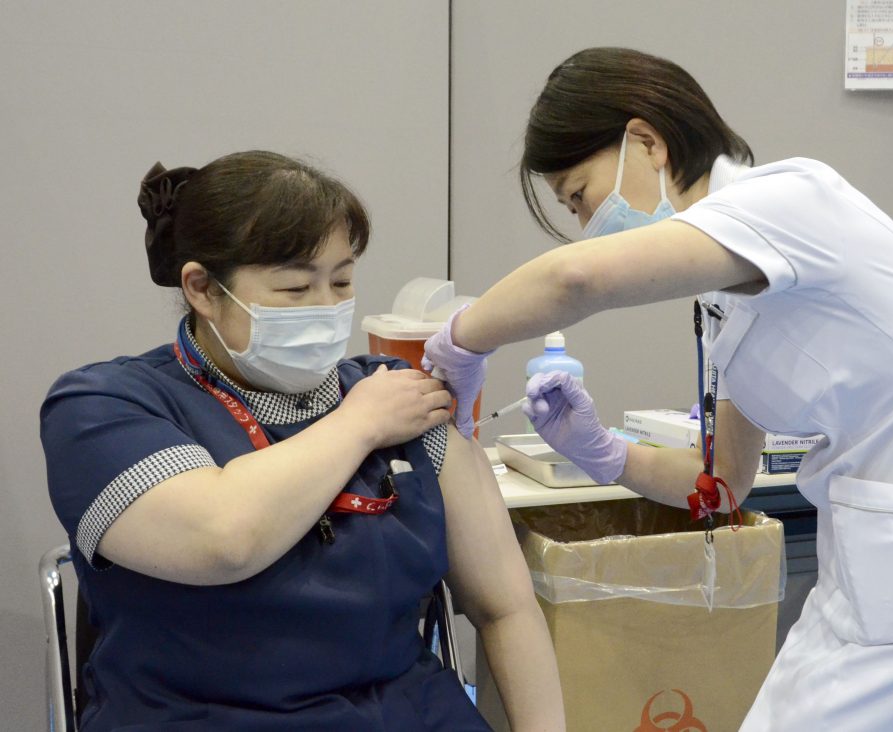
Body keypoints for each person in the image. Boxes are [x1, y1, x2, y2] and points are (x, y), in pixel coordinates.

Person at [423, 47, 893, 730]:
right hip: (888, 558)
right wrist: (601, 453)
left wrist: (461, 339)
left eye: (581, 198)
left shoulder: (789, 201)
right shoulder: (726, 291)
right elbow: (724, 482)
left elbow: (576, 280)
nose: (589, 229)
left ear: (645, 142)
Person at [40, 151, 565, 731]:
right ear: (202, 289)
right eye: (294, 287)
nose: (327, 307)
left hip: (404, 711)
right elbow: (225, 538)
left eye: (341, 280)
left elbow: (506, 608)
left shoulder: (399, 399)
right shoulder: (104, 406)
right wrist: (358, 424)